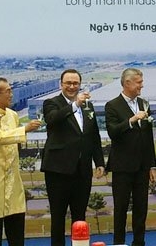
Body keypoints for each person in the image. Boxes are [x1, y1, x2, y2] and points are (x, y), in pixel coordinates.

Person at [40, 69, 105, 246]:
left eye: (75, 83)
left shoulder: (88, 106)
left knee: (80, 218)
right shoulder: (51, 103)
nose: (72, 86)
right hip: (58, 171)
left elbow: (94, 136)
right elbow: (52, 119)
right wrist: (75, 104)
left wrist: (99, 162)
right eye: (68, 83)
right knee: (58, 217)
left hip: (82, 171)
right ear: (61, 84)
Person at [0, 77, 41, 246]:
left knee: (16, 224)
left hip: (13, 176)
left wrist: (23, 131)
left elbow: (16, 142)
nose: (11, 94)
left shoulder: (13, 115)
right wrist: (24, 129)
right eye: (8, 91)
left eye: (11, 90)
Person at [105, 68, 156, 246]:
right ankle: (119, 243)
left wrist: (152, 165)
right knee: (121, 208)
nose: (142, 86)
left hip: (142, 166)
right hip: (122, 166)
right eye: (139, 82)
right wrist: (131, 120)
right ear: (127, 83)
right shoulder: (112, 105)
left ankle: (139, 242)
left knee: (141, 208)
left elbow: (148, 138)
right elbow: (113, 132)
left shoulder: (144, 103)